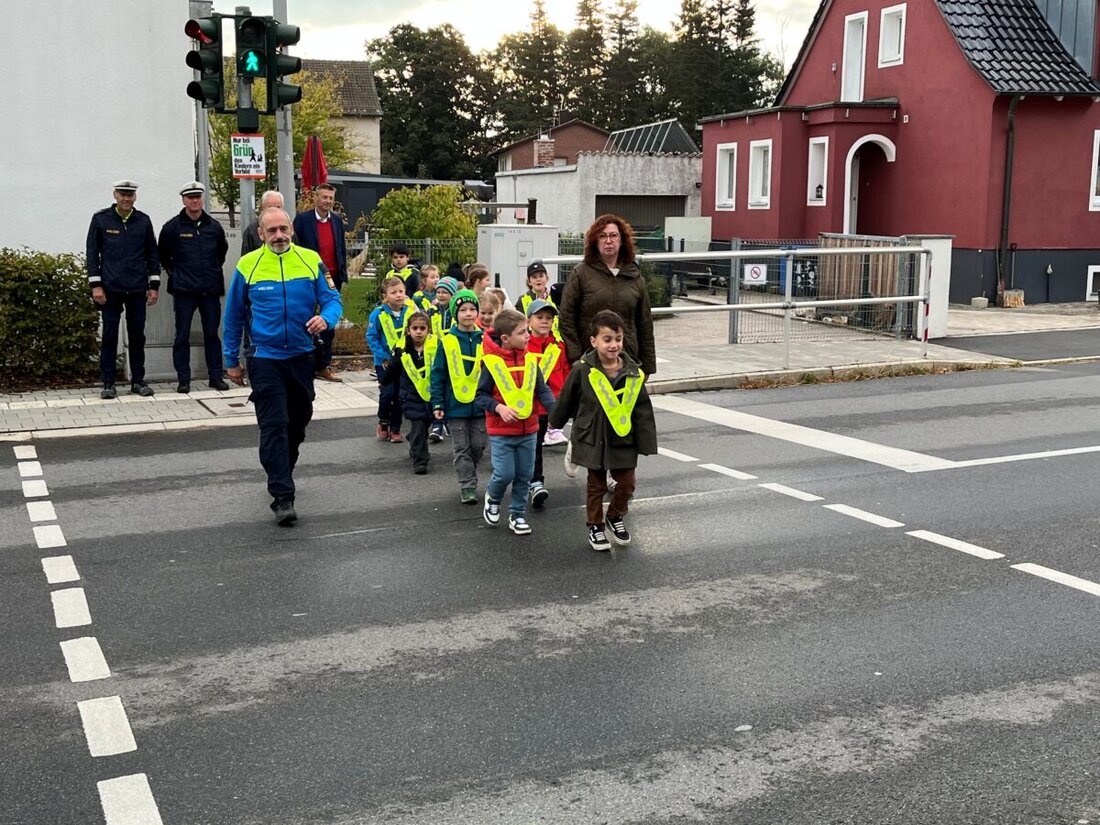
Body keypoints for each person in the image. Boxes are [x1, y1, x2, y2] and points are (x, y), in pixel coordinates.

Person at [222, 208, 342, 525]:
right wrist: (230, 359)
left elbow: (333, 300)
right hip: (265, 358)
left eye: (283, 229)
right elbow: (233, 315)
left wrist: (325, 318)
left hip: (302, 356)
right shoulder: (248, 266)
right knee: (274, 425)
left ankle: (282, 468)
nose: (279, 235)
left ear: (291, 230)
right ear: (261, 233)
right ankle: (282, 496)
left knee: (298, 421)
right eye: (272, 230)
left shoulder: (310, 259)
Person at [549, 309, 657, 551]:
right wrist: (554, 421)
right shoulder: (583, 369)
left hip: (623, 437)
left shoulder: (633, 373)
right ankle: (595, 525)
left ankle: (615, 516)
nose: (614, 345)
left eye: (618, 339)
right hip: (593, 435)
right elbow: (567, 398)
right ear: (593, 341)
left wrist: (645, 440)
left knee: (627, 484)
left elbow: (642, 409)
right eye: (607, 339)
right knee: (596, 486)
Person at [475, 308, 556, 536]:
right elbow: (480, 396)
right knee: (504, 474)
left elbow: (542, 389)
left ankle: (517, 515)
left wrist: (555, 411)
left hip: (529, 429)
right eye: (522, 333)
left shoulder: (531, 360)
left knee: (524, 475)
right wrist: (499, 408)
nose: (527, 336)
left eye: (526, 331)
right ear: (505, 338)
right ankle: (493, 497)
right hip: (501, 431)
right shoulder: (491, 363)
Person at [86, 179, 160, 399]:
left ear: (135, 197)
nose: (126, 198)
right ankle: (108, 383)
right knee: (109, 336)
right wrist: (96, 285)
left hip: (137, 288)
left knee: (138, 337)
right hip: (110, 288)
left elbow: (152, 255)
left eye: (130, 195)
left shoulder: (143, 221)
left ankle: (138, 381)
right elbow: (92, 253)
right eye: (122, 194)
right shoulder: (101, 219)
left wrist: (154, 285)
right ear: (115, 195)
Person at [559, 213, 657, 377]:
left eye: (613, 235)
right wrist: (576, 359)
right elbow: (566, 319)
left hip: (627, 359)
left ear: (622, 240)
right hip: (590, 360)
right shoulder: (581, 273)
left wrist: (647, 366)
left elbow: (644, 323)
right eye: (602, 236)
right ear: (595, 241)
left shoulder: (634, 276)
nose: (608, 240)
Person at [157, 181, 230, 394]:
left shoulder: (214, 226)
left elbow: (221, 254)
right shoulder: (172, 227)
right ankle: (184, 379)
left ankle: (216, 376)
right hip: (184, 290)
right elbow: (163, 256)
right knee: (182, 335)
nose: (195, 200)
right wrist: (177, 274)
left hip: (210, 289)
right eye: (190, 197)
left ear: (202, 199)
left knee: (211, 334)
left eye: (197, 196)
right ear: (184, 200)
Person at [430, 289, 485, 504]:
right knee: (461, 447)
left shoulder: (485, 339)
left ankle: (470, 471)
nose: (469, 314)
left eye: (472, 309)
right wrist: (437, 402)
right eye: (463, 310)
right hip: (455, 406)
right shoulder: (448, 341)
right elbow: (438, 373)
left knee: (478, 446)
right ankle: (467, 484)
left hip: (480, 405)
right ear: (456, 313)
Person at [292, 183, 347, 382]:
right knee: (306, 320)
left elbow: (341, 249)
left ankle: (324, 365)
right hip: (309, 279)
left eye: (331, 198)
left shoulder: (338, 221)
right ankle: (305, 363)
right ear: (316, 198)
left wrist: (343, 274)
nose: (328, 201)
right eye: (324, 197)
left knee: (328, 323)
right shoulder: (303, 220)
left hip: (332, 280)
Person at [525, 300, 570, 509]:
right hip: (531, 406)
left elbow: (566, 372)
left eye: (548, 318)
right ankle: (535, 482)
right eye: (539, 317)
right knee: (535, 447)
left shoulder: (558, 346)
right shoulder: (524, 346)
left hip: (554, 405)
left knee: (539, 443)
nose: (544, 322)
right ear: (529, 321)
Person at [380, 311, 437, 474]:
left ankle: (414, 439)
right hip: (410, 394)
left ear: (428, 330)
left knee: (425, 423)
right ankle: (420, 460)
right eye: (415, 328)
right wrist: (384, 382)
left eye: (422, 328)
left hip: (430, 394)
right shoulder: (401, 350)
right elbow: (393, 368)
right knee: (418, 423)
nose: (418, 332)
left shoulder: (435, 347)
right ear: (408, 330)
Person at [519, 259, 567, 446]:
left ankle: (554, 428)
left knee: (554, 383)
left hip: (553, 347)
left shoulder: (555, 296)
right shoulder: (523, 300)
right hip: (534, 343)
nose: (538, 279)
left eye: (541, 276)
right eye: (534, 276)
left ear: (547, 277)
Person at [366, 276, 415, 443]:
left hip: (404, 362)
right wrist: (383, 357)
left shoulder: (410, 312)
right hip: (385, 363)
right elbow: (372, 337)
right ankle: (383, 422)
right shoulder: (378, 314)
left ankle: (395, 428)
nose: (398, 295)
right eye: (393, 292)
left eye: (401, 291)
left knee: (400, 395)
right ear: (385, 295)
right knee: (387, 394)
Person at [241, 190, 284, 255]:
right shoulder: (251, 231)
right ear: (262, 208)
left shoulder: (288, 230)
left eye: (277, 207)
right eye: (270, 207)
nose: (274, 210)